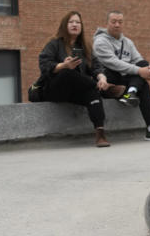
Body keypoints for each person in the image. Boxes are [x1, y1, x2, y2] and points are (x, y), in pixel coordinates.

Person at [39, 11, 120, 147]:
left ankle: (100, 134)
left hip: (77, 91)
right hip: (56, 90)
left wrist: (102, 78)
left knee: (92, 92)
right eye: (71, 22)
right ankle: (104, 90)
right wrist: (63, 65)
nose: (75, 25)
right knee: (67, 72)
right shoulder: (54, 44)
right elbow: (44, 65)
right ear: (65, 25)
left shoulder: (85, 46)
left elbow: (96, 67)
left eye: (78, 22)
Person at [93, 11, 150, 141]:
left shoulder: (128, 42)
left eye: (120, 22)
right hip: (108, 80)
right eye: (113, 21)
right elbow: (113, 63)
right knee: (138, 73)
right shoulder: (100, 41)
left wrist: (149, 71)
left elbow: (138, 60)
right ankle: (133, 95)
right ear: (107, 23)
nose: (117, 25)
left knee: (144, 64)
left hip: (126, 80)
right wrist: (140, 71)